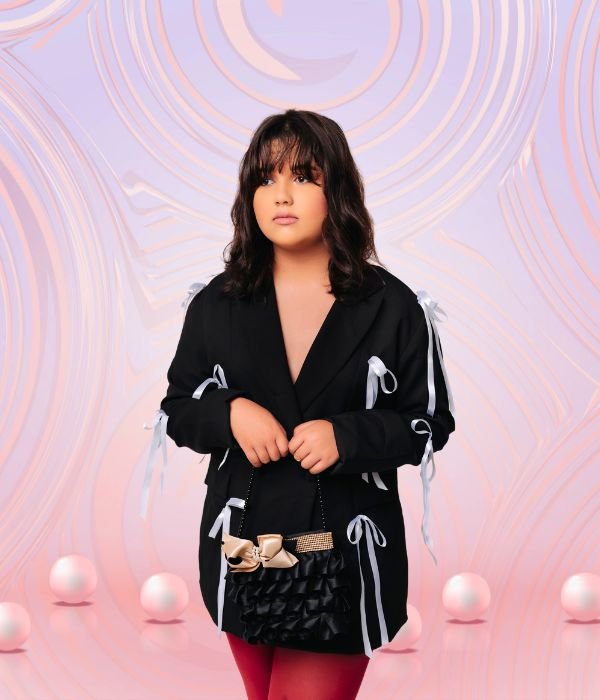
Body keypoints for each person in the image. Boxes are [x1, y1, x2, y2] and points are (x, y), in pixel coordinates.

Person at [146, 109, 456, 699]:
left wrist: (349, 436)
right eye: (266, 178)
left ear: (337, 190)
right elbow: (179, 407)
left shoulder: (393, 307)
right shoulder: (216, 303)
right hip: (242, 548)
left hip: (345, 554)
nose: (281, 194)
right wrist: (229, 413)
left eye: (304, 176)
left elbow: (429, 423)